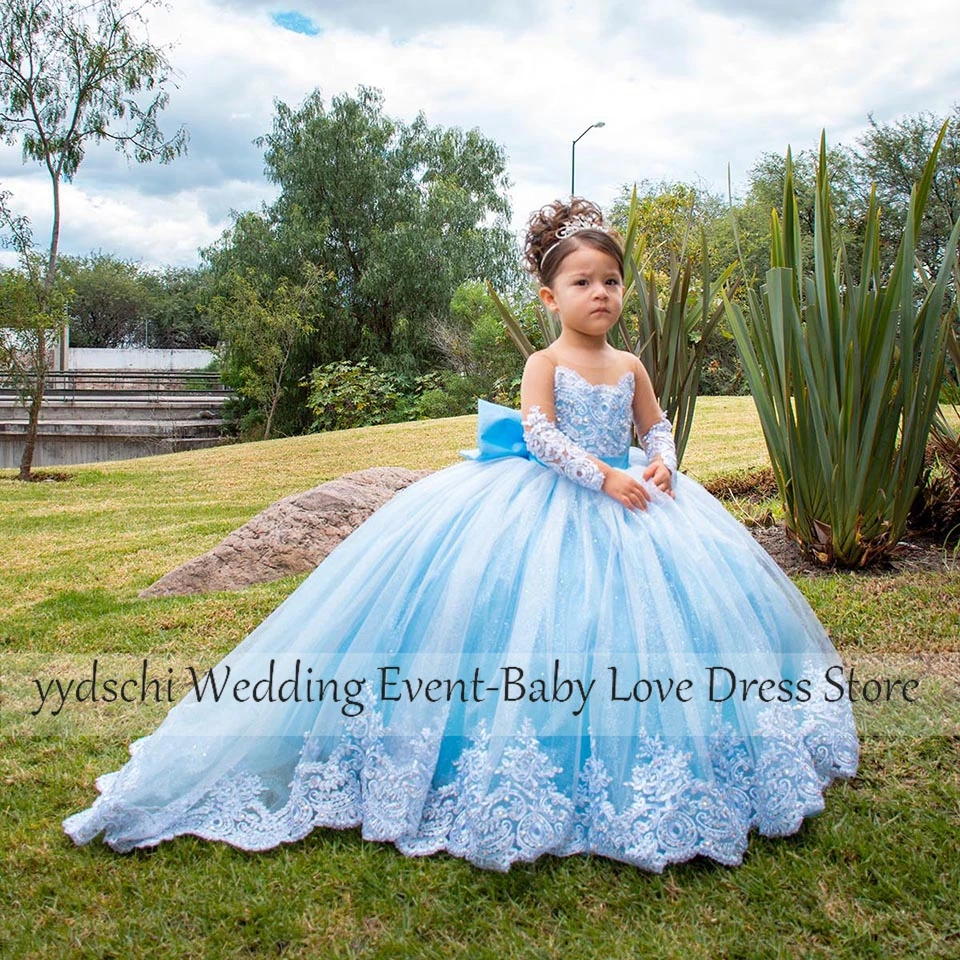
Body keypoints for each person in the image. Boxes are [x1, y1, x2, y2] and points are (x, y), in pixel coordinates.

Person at [63, 197, 859, 873]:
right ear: (550, 297)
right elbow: (541, 437)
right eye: (583, 282)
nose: (601, 294)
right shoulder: (546, 362)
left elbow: (658, 428)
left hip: (638, 507)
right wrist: (603, 475)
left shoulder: (633, 364)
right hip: (549, 498)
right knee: (518, 624)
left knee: (647, 635)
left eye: (611, 281)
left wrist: (660, 465)